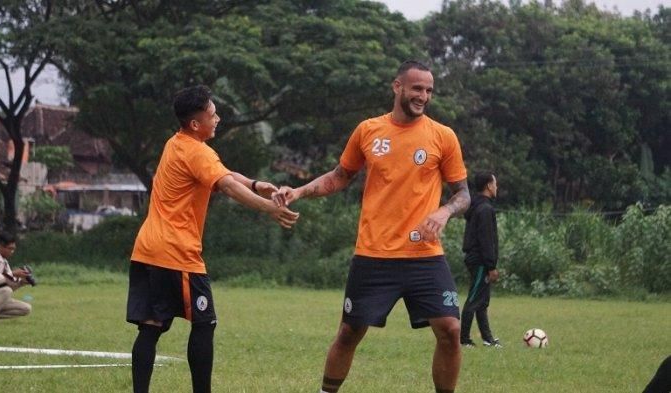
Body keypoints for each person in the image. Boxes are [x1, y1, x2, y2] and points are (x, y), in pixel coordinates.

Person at [278, 60, 470, 393]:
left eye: (428, 90)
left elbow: (464, 194)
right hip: (374, 254)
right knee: (350, 332)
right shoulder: (368, 130)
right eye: (416, 88)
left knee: (451, 329)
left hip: (424, 254)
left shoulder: (443, 136)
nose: (422, 96)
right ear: (398, 87)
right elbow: (339, 177)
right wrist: (299, 190)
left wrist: (444, 212)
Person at [126, 85, 299, 393]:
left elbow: (225, 175)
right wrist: (269, 208)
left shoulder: (176, 143)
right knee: (204, 323)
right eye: (213, 114)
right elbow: (229, 187)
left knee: (150, 327)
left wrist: (257, 184)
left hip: (146, 249)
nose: (218, 118)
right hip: (176, 253)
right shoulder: (197, 151)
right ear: (196, 123)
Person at [460, 172, 501, 348]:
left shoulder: (478, 207)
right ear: (489, 186)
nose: (497, 187)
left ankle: (487, 339)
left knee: (482, 301)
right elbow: (486, 240)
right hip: (480, 261)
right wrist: (491, 266)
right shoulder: (485, 210)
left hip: (479, 260)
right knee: (474, 299)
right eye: (495, 184)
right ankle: (463, 340)